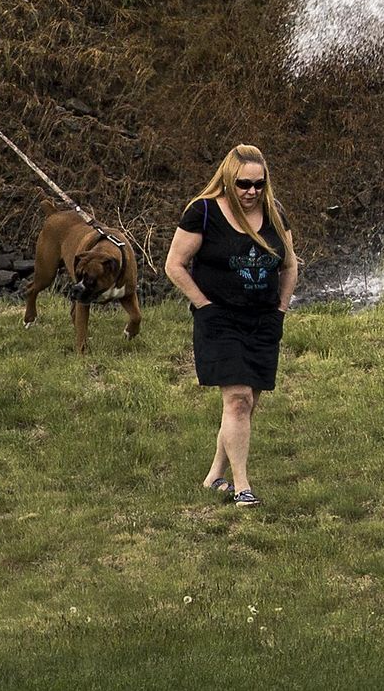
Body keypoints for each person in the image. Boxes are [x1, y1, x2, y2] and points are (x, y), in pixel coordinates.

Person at [164, 145, 298, 508]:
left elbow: (289, 265)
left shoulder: (273, 211)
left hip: (263, 319)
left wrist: (282, 307)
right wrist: (203, 304)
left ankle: (214, 476)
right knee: (237, 399)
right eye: (243, 184)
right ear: (228, 179)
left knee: (248, 402)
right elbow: (174, 264)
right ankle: (242, 488)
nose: (251, 192)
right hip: (220, 319)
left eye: (259, 183)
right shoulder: (203, 211)